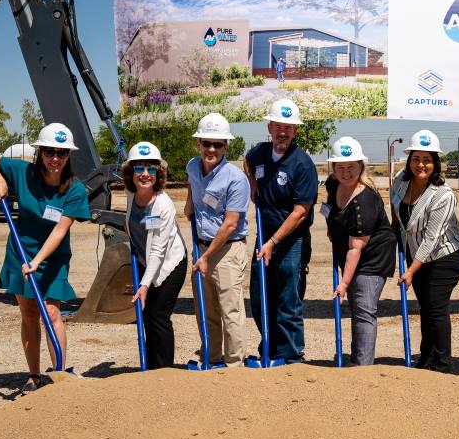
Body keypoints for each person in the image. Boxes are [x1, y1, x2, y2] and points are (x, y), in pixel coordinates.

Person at [0, 123, 90, 393]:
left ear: (68, 156)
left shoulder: (74, 190)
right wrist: (0, 179)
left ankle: (60, 372)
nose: (56, 159)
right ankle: (34, 375)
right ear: (40, 152)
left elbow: (60, 230)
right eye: (50, 152)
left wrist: (38, 260)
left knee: (51, 312)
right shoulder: (23, 172)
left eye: (62, 153)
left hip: (52, 257)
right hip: (20, 251)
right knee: (29, 314)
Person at [243, 98, 318, 363]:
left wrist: (274, 241)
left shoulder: (303, 164)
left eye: (288, 127)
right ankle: (271, 349)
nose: (282, 132)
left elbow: (301, 212)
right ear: (270, 127)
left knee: (288, 300)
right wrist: (252, 184)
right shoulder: (260, 153)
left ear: (295, 131)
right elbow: (247, 162)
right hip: (264, 238)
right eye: (278, 126)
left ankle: (291, 356)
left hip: (290, 242)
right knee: (260, 296)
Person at [390, 129, 459, 372]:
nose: (421, 164)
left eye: (427, 159)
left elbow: (432, 238)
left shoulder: (444, 195)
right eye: (416, 158)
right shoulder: (401, 183)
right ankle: (427, 357)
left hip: (445, 256)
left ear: (436, 163)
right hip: (417, 255)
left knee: (435, 307)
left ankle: (442, 364)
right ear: (409, 159)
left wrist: (411, 271)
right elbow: (395, 214)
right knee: (426, 307)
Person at [322, 136, 395, 365]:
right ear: (333, 168)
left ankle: (363, 367)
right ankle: (357, 359)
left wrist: (343, 284)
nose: (346, 172)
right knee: (356, 307)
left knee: (364, 309)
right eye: (340, 167)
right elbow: (329, 211)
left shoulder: (365, 200)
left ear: (361, 167)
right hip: (351, 254)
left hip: (372, 257)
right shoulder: (334, 185)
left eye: (351, 167)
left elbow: (356, 246)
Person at [185, 113, 251, 366]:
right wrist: (190, 204)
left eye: (218, 144)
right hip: (201, 246)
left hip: (226, 250)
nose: (211, 149)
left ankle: (234, 364)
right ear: (198, 144)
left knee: (230, 311)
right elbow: (193, 186)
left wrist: (206, 257)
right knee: (206, 310)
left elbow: (230, 224)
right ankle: (212, 360)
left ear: (226, 146)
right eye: (206, 143)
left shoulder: (236, 179)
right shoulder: (192, 166)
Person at [123, 142, 187, 369]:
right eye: (139, 168)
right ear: (130, 172)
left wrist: (145, 285)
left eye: (151, 169)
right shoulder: (131, 196)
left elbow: (159, 250)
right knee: (148, 317)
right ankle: (151, 369)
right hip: (146, 261)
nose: (145, 174)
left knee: (158, 316)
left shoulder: (164, 205)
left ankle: (164, 371)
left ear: (158, 173)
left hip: (170, 264)